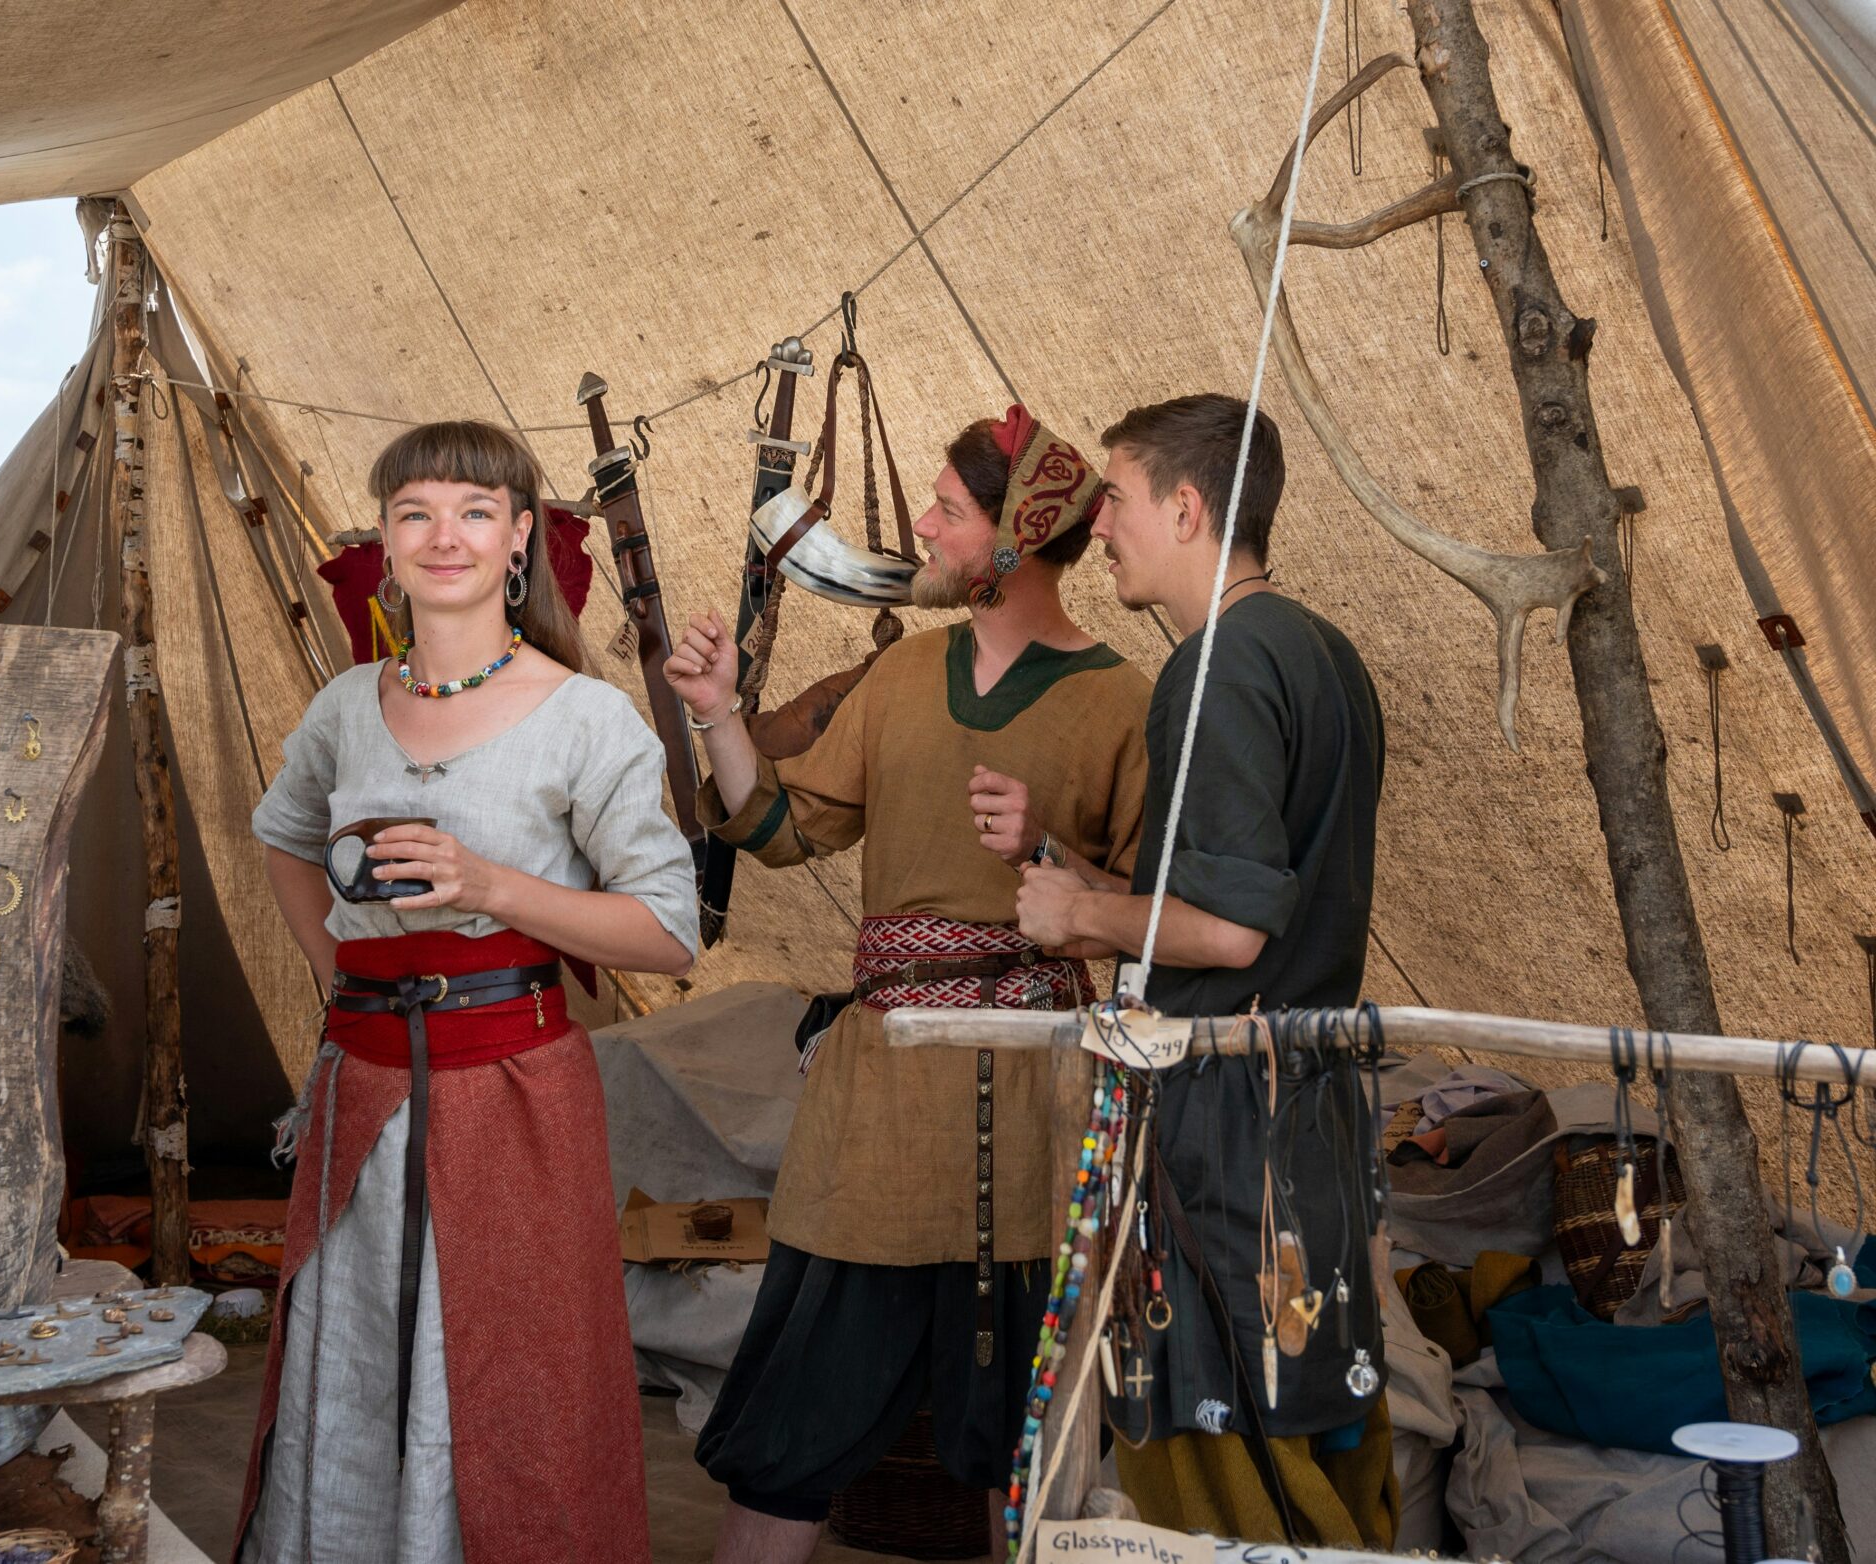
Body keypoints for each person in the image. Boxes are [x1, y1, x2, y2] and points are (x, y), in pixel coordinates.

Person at [664, 404, 1152, 1563]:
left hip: (1034, 1107)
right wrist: (720, 714)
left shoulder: (1123, 703)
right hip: (878, 1103)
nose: (923, 527)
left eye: (948, 509)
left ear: (1017, 538)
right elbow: (784, 827)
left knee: (1020, 1439)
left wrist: (1045, 854)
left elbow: (1144, 911)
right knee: (792, 1423)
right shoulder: (903, 673)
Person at [238, 420, 698, 1564]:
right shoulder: (348, 705)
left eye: (476, 511)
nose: (446, 535)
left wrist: (492, 885)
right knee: (349, 1362)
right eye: (416, 513)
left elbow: (667, 932)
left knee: (510, 1378)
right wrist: (337, 970)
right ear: (386, 544)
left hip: (514, 1096)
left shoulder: (584, 715)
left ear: (519, 540)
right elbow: (285, 834)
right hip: (362, 1089)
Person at [1011, 394, 1394, 1546]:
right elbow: (1261, 902)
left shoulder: (1216, 666)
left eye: (1118, 499)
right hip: (1304, 1106)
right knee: (1310, 1415)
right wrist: (1093, 894)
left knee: (1220, 1448)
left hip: (1227, 1125)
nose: (1103, 526)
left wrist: (1082, 908)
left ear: (1185, 506)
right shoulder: (1322, 653)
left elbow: (1228, 933)